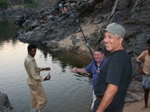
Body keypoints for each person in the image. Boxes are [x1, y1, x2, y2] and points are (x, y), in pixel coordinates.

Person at [93, 23, 132, 112]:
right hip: (117, 104)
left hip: (108, 105)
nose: (106, 40)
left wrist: (99, 110)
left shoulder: (116, 59)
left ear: (120, 40)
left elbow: (112, 90)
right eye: (105, 37)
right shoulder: (124, 55)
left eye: (110, 37)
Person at [24, 44, 51, 112]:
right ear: (28, 51)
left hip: (30, 82)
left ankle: (33, 110)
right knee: (43, 100)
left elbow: (34, 69)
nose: (34, 53)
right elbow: (34, 75)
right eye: (33, 51)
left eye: (35, 51)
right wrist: (44, 79)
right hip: (35, 82)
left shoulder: (28, 58)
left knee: (34, 101)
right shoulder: (30, 61)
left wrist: (43, 69)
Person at [137, 39, 150, 108]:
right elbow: (138, 59)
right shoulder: (145, 53)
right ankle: (145, 105)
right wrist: (139, 68)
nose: (148, 48)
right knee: (146, 91)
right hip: (146, 75)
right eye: (147, 46)